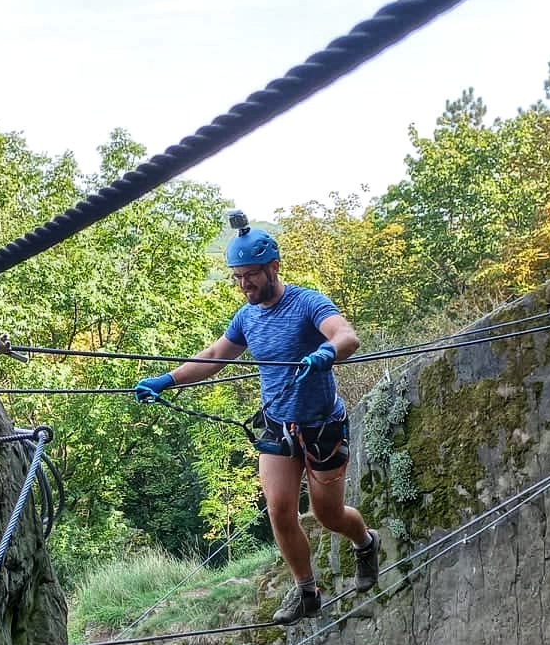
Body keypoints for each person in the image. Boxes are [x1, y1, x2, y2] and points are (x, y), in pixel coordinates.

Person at [134, 216, 379, 623]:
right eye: (238, 278)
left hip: (322, 428)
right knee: (279, 511)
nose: (244, 285)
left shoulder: (307, 303)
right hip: (279, 426)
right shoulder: (246, 318)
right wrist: (167, 380)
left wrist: (327, 353)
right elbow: (214, 357)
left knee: (328, 516)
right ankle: (306, 590)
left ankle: (365, 542)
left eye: (250, 276)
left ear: (274, 268)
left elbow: (346, 336)